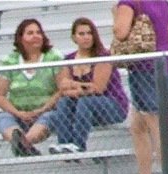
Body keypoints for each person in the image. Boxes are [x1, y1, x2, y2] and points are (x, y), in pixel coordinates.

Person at [112, 0, 168, 174]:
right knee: (137, 127)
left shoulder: (129, 3)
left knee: (155, 124)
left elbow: (120, 32)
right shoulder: (162, 3)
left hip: (145, 69)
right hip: (165, 66)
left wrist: (116, 15)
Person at [41, 17, 128, 155]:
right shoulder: (69, 60)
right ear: (74, 37)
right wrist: (78, 89)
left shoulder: (102, 57)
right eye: (81, 34)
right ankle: (64, 144)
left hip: (112, 105)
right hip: (83, 108)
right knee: (64, 102)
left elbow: (98, 88)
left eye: (89, 33)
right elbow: (64, 89)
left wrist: (75, 85)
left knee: (85, 101)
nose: (86, 37)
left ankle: (78, 145)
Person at [0, 18, 62, 157]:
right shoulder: (10, 61)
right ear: (21, 38)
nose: (36, 35)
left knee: (50, 117)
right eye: (30, 33)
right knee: (2, 118)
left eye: (38, 32)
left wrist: (40, 110)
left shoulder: (54, 57)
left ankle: (23, 144)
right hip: (18, 113)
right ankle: (19, 141)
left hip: (45, 111)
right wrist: (19, 113)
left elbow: (61, 90)